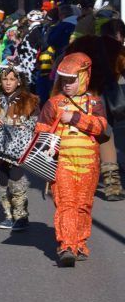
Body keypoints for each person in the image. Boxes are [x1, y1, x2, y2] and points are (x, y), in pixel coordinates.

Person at [36, 53, 107, 267]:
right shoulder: (53, 103)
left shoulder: (94, 103)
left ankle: (80, 243)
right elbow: (40, 130)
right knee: (66, 203)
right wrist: (46, 143)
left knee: (84, 204)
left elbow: (102, 129)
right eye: (63, 80)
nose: (66, 85)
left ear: (84, 77)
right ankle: (66, 245)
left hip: (89, 164)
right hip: (63, 162)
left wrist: (74, 118)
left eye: (72, 80)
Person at [63, 31, 125, 201]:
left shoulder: (77, 46)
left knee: (79, 139)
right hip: (103, 97)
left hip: (79, 98)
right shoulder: (114, 47)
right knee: (105, 137)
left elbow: (64, 71)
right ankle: (113, 187)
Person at [0, 65, 39, 230]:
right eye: (5, 79)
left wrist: (22, 124)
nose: (8, 83)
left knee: (16, 180)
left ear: (19, 81)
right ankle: (9, 215)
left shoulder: (29, 100)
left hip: (18, 148)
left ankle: (21, 216)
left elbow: (36, 121)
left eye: (12, 79)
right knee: (4, 181)